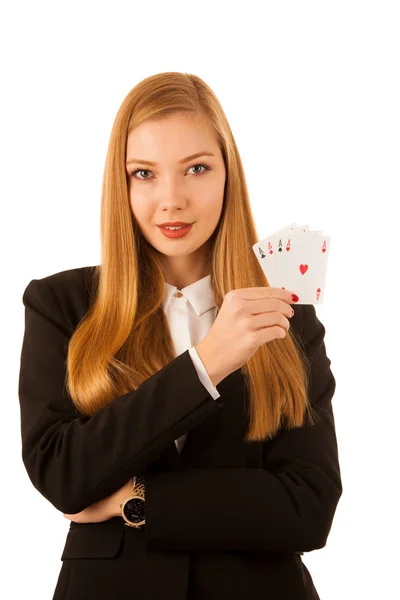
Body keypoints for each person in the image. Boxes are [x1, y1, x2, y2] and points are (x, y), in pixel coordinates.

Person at [18, 71, 342, 600]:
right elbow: (62, 474)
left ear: (227, 175)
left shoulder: (285, 312)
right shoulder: (61, 305)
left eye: (196, 168)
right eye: (144, 173)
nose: (171, 199)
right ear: (119, 185)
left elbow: (309, 507)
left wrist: (137, 499)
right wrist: (206, 363)